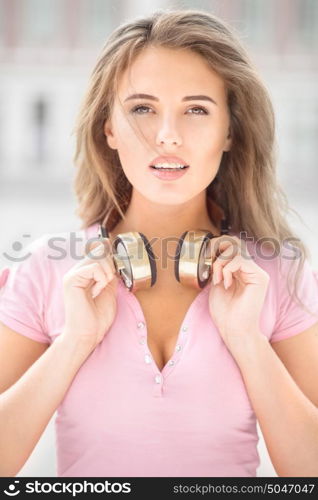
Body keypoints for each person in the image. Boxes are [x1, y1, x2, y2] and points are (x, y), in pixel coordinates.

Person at [0, 9, 318, 478]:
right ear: (109, 127)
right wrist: (76, 342)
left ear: (229, 130)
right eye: (142, 109)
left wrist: (248, 341)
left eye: (196, 110)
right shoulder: (48, 267)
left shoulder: (277, 275)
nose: (167, 136)